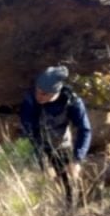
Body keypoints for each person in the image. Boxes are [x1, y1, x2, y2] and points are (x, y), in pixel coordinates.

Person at [20, 65, 92, 207]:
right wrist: (42, 163)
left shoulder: (72, 101)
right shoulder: (30, 101)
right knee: (37, 182)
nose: (39, 96)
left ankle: (71, 212)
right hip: (37, 146)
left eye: (44, 94)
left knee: (71, 184)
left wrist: (77, 160)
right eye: (37, 91)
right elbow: (28, 132)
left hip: (61, 145)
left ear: (56, 92)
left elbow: (85, 130)